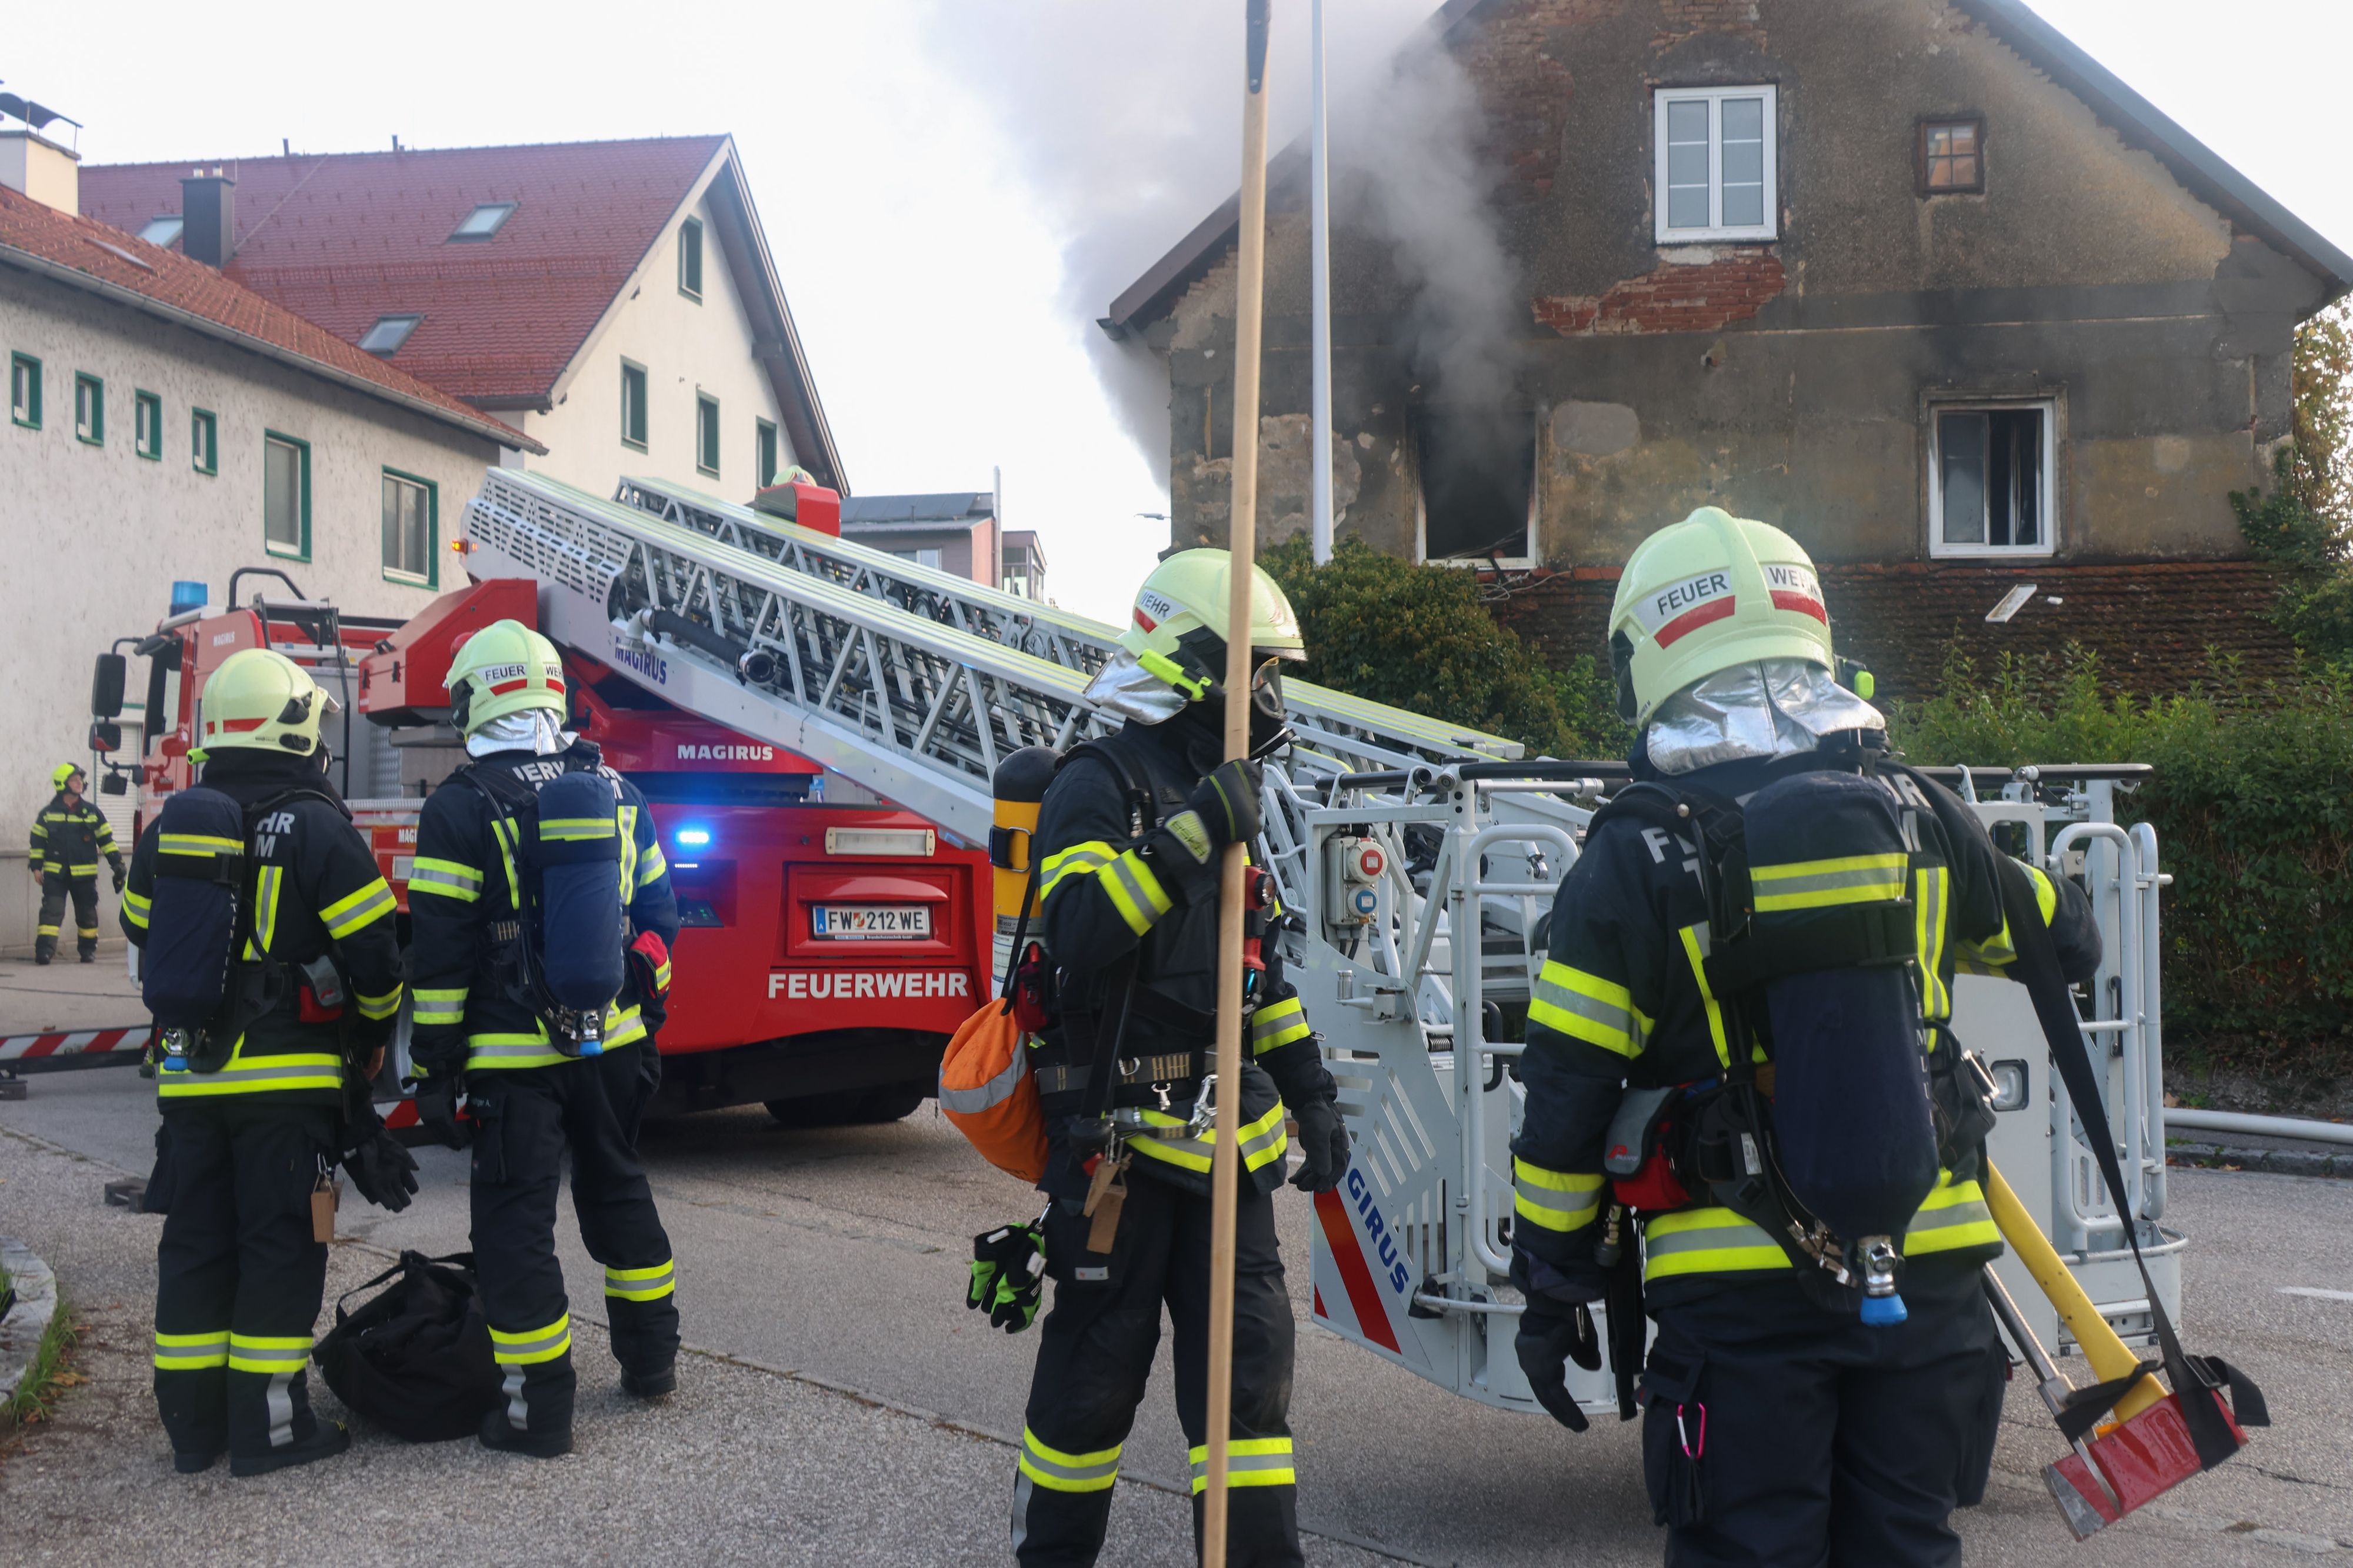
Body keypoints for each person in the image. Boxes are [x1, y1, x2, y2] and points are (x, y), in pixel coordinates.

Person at [1510, 507, 2104, 1567]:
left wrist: (1554, 1287)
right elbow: (2069, 941)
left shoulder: (1636, 857)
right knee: (1907, 1549)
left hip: (1735, 1298)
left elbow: (1566, 1096)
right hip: (1928, 1282)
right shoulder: (1916, 815)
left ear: (1647, 654)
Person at [1009, 552, 1352, 1568]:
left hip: (1232, 1163)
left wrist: (1313, 1099)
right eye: (1260, 673)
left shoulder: (1231, 792)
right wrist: (1194, 835)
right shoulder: (1097, 784)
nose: (1272, 697)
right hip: (1121, 1154)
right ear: (1200, 666)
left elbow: (1262, 978)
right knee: (1091, 1386)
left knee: (1250, 1395)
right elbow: (1077, 934)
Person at [122, 649, 406, 1476]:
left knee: (197, 1246)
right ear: (294, 726)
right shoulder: (319, 824)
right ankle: (272, 1428)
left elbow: (145, 931)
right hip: (290, 1099)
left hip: (189, 1088)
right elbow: (376, 957)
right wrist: (369, 1038)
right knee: (289, 1245)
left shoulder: (175, 823)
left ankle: (193, 1429)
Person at [405, 619, 682, 1459]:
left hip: (512, 1066)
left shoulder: (458, 807)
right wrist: (642, 1012)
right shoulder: (619, 795)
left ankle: (538, 1410)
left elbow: (444, 960)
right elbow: (662, 921)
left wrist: (434, 1068)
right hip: (613, 1047)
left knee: (516, 1226)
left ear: (476, 697)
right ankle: (651, 1365)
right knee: (620, 1193)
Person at [31, 762, 124, 963]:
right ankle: (44, 952)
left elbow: (106, 841)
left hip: (85, 876)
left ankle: (88, 951)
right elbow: (37, 843)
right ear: (62, 784)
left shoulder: (92, 812)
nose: (80, 783)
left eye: (80, 780)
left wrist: (117, 864)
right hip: (56, 875)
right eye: (74, 780)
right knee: (51, 914)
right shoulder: (47, 814)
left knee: (87, 915)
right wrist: (36, 868)